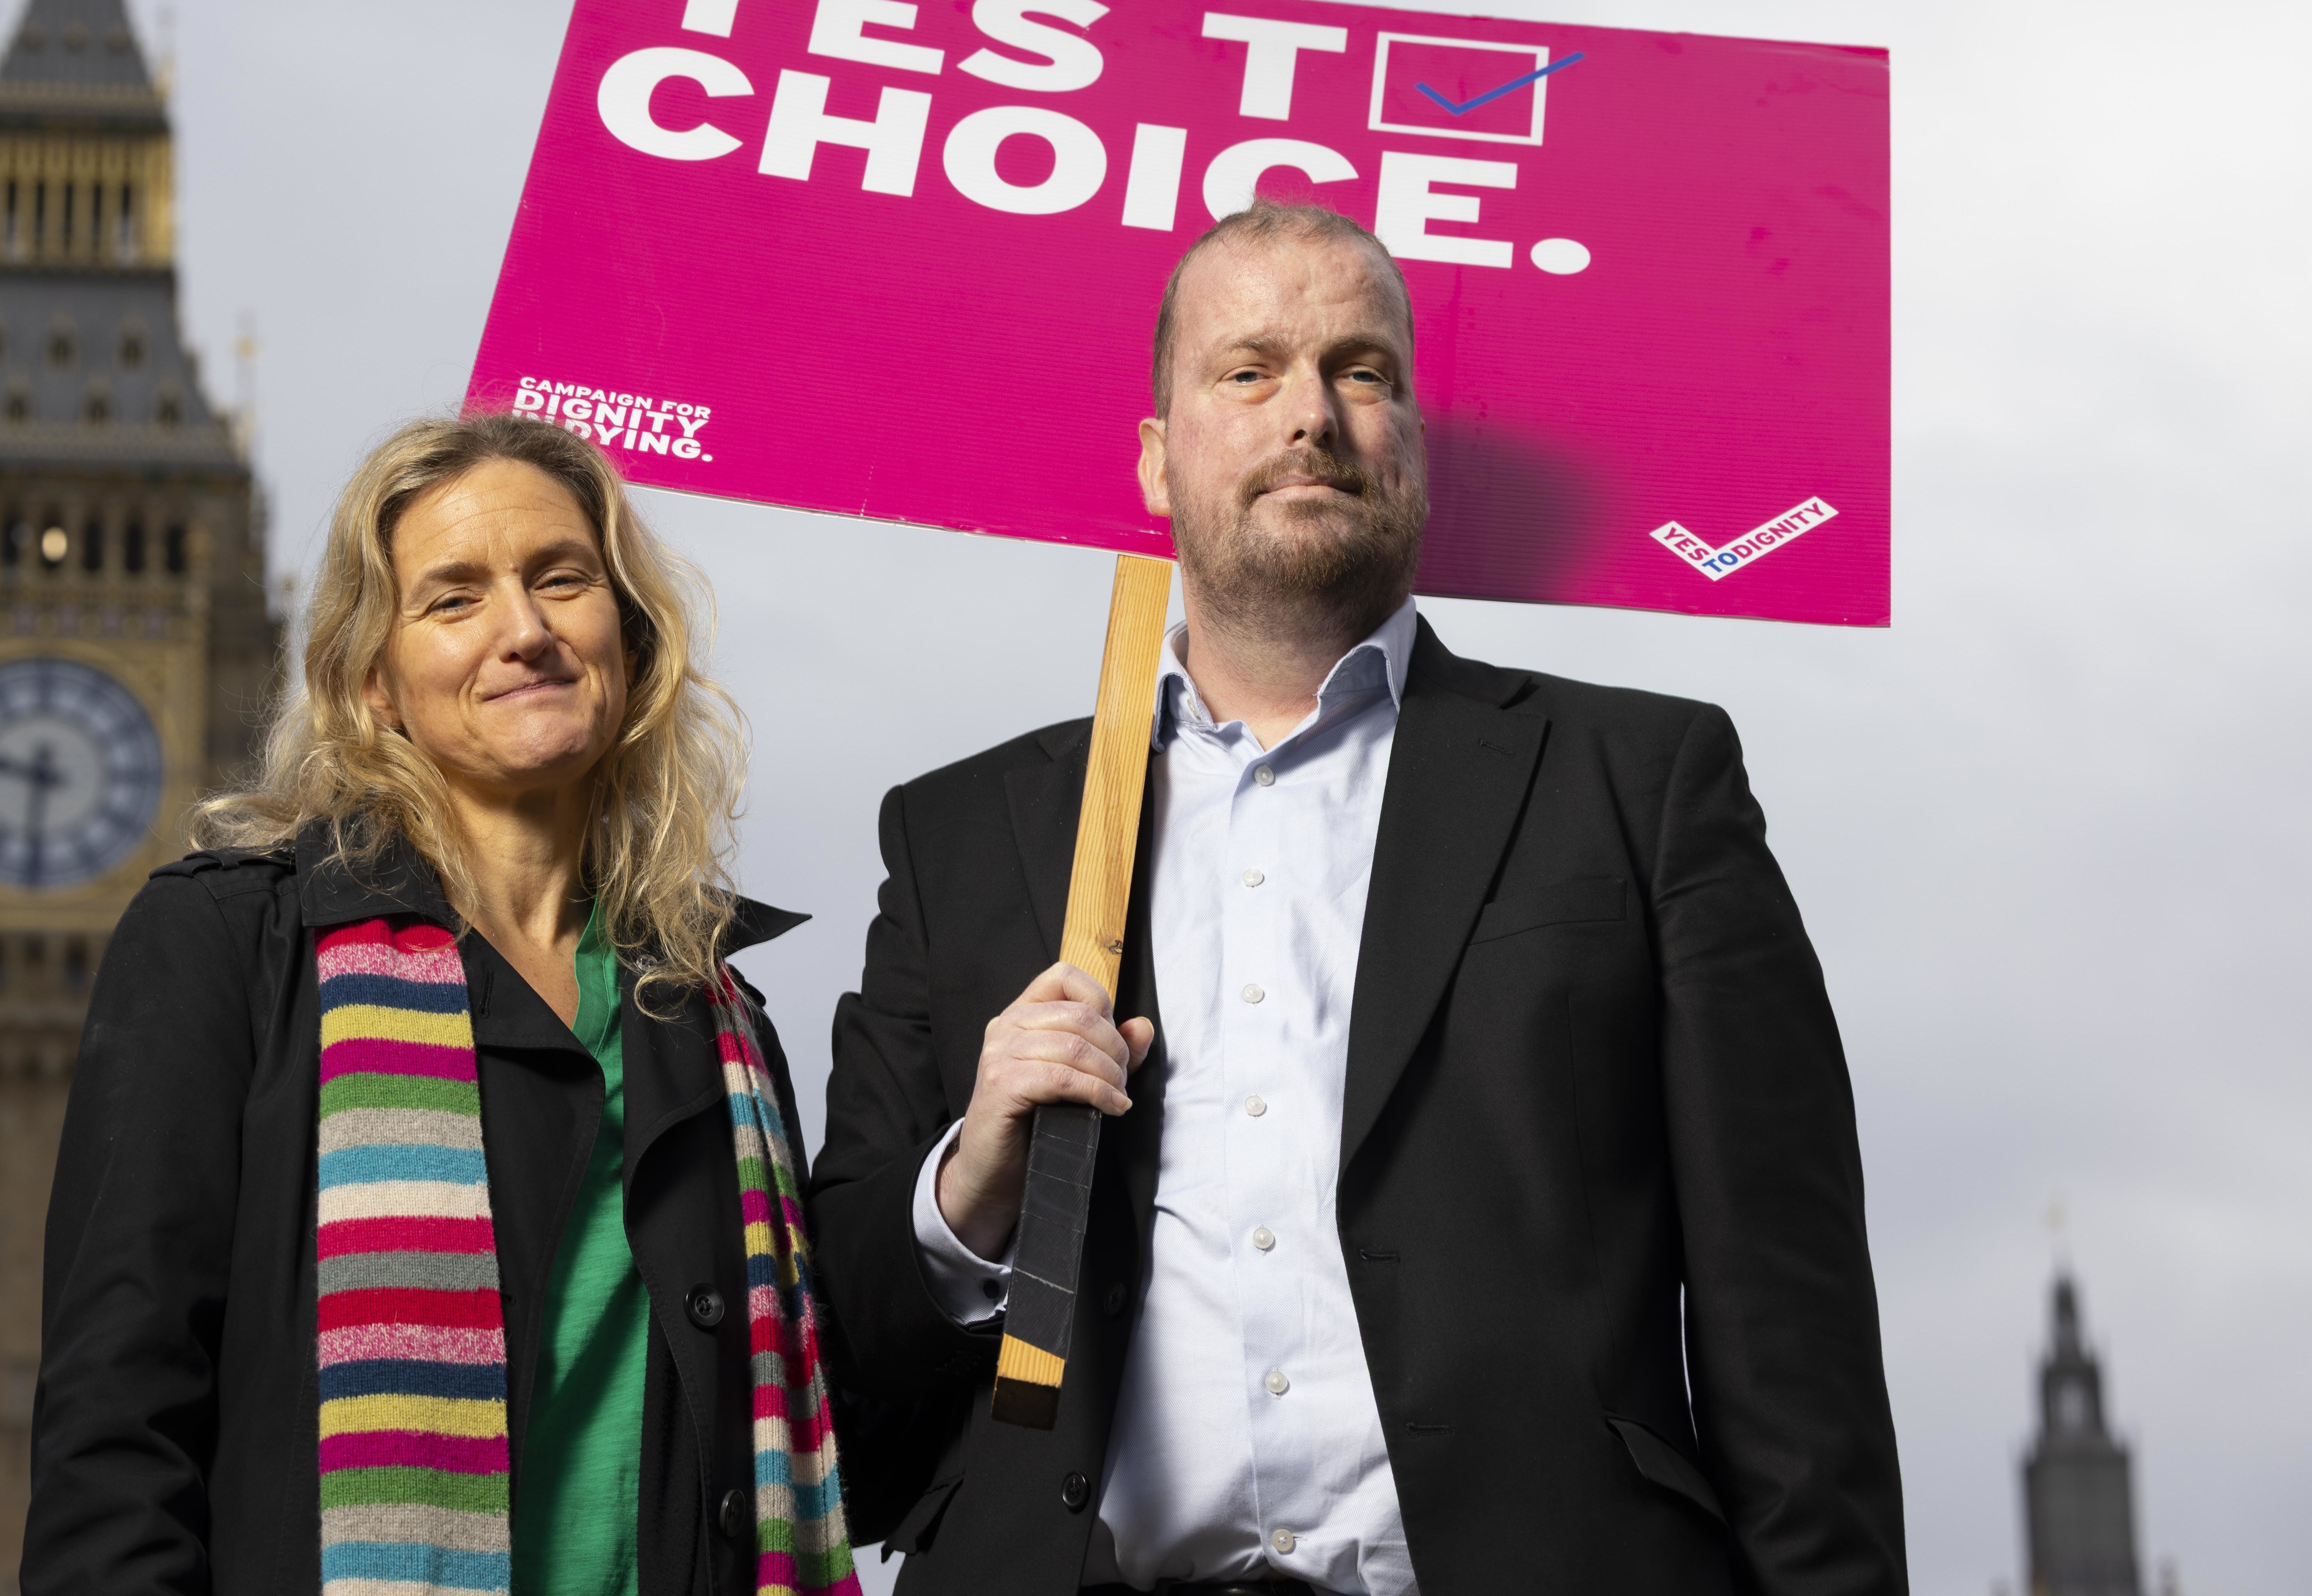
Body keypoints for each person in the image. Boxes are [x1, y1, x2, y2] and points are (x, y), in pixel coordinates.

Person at [807, 203, 1904, 1596]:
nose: (1310, 415)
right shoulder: (962, 834)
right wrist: (972, 1193)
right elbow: (833, 1366)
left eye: (1362, 371)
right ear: (1159, 458)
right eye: (1248, 371)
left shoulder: (1644, 784)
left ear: (1417, 454)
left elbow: (1789, 1325)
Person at [22, 417, 861, 1596]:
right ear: (376, 683)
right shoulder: (230, 951)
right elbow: (112, 1441)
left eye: (562, 580)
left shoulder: (709, 1008)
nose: (525, 632)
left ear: (627, 633)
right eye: (454, 599)